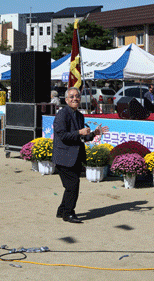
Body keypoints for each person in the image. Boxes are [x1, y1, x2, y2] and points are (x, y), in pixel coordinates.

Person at [53, 87, 109, 223]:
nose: (75, 99)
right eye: (71, 97)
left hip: (76, 156)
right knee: (73, 185)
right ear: (66, 100)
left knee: (70, 186)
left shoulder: (79, 115)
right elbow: (62, 135)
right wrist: (79, 132)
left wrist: (94, 133)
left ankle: (62, 210)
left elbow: (83, 137)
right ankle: (68, 213)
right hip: (63, 156)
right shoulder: (62, 114)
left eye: (77, 96)